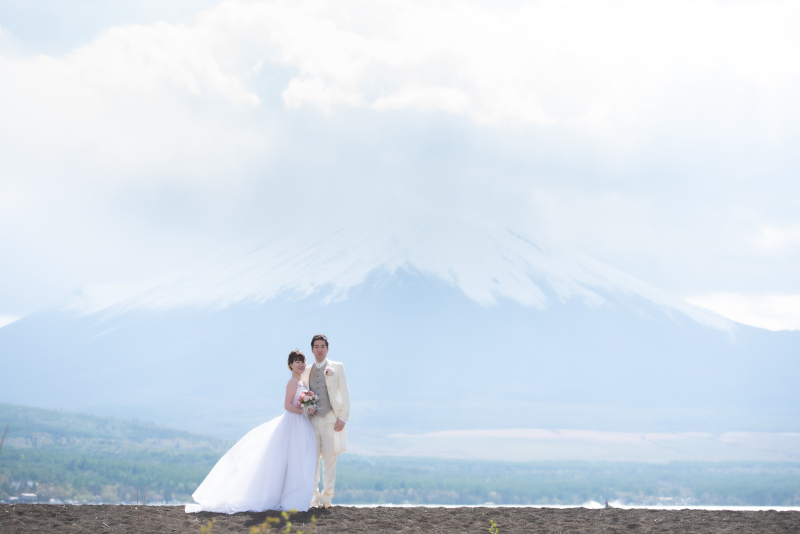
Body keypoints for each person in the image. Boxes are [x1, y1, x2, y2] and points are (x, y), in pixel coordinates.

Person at [185, 350, 317, 513]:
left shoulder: (302, 383)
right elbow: (287, 406)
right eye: (297, 362)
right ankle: (285, 498)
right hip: (293, 424)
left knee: (298, 460)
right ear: (290, 365)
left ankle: (294, 497)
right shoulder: (293, 383)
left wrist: (308, 408)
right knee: (289, 459)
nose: (301, 364)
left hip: (301, 425)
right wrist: (305, 411)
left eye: (302, 361)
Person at [301, 334, 350, 508]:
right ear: (312, 349)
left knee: (330, 460)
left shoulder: (337, 367)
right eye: (316, 346)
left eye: (323, 346)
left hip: (331, 419)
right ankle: (313, 497)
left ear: (327, 349)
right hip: (312, 421)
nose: (319, 350)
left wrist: (343, 417)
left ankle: (327, 497)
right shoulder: (306, 371)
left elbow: (344, 394)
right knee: (312, 460)